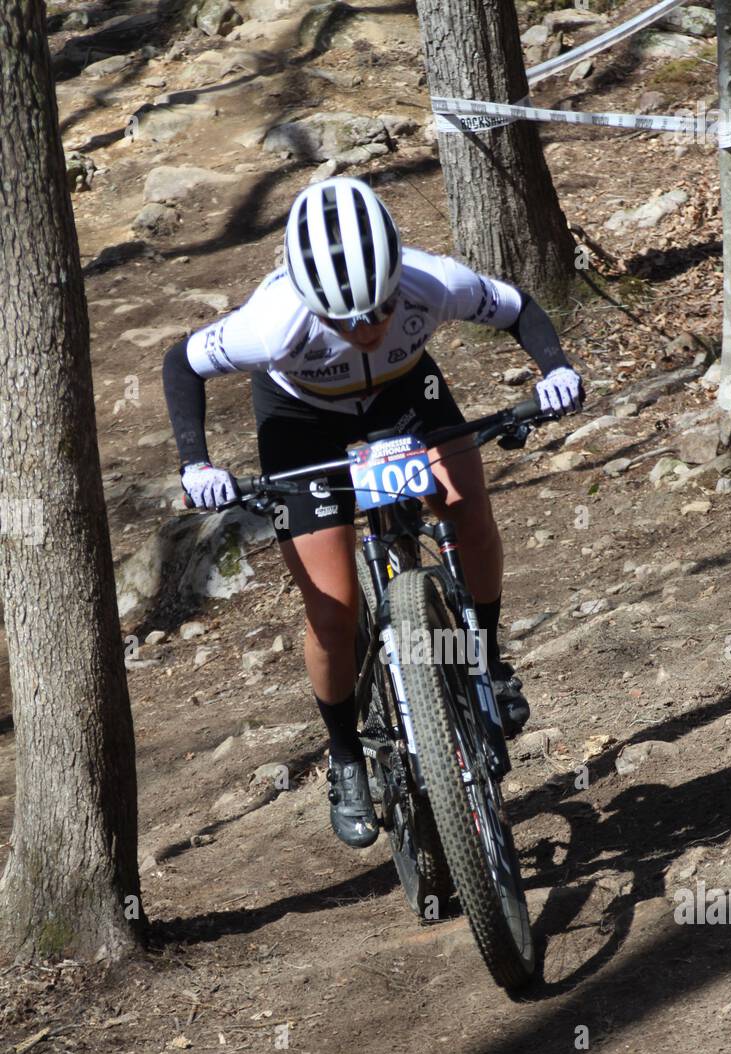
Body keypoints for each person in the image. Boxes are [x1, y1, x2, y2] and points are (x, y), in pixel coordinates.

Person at [163, 176, 584, 849]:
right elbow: (181, 363)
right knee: (332, 611)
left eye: (379, 311)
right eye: (344, 321)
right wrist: (196, 465)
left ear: (396, 283)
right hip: (301, 422)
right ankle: (346, 755)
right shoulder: (270, 324)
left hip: (405, 395)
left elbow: (517, 308)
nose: (365, 330)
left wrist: (555, 368)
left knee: (467, 510)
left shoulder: (432, 281)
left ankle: (488, 660)